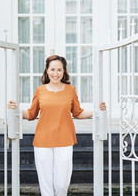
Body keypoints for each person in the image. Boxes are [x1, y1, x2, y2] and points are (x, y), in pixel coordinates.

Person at [8, 55, 106, 196]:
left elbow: (78, 113)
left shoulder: (70, 90)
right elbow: (31, 114)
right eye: (52, 69)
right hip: (42, 141)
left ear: (64, 71)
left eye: (59, 70)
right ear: (47, 71)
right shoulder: (40, 90)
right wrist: (15, 109)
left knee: (61, 185)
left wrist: (97, 110)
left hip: (65, 140)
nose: (55, 73)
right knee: (46, 186)